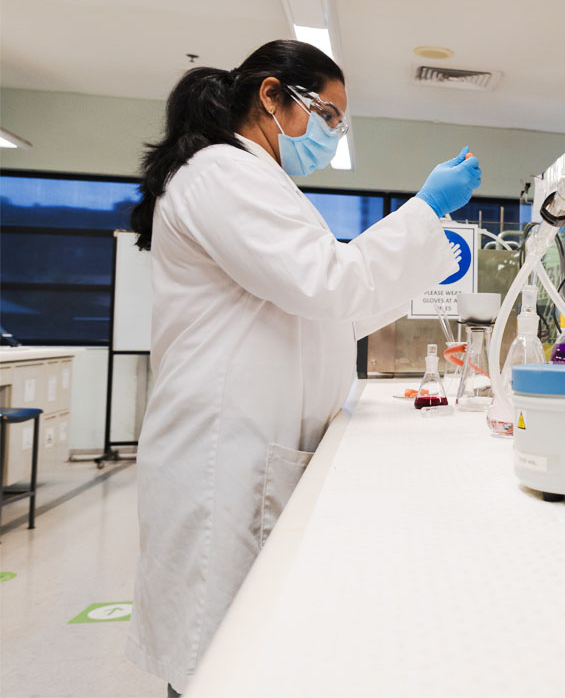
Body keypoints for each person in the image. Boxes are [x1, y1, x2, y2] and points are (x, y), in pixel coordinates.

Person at [123, 40, 481, 695]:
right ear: (270, 95)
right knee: (215, 657)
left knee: (240, 650)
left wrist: (422, 259)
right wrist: (425, 211)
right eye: (329, 115)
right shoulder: (220, 174)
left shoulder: (258, 182)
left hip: (252, 445)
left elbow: (328, 312)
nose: (332, 135)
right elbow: (326, 284)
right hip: (221, 458)